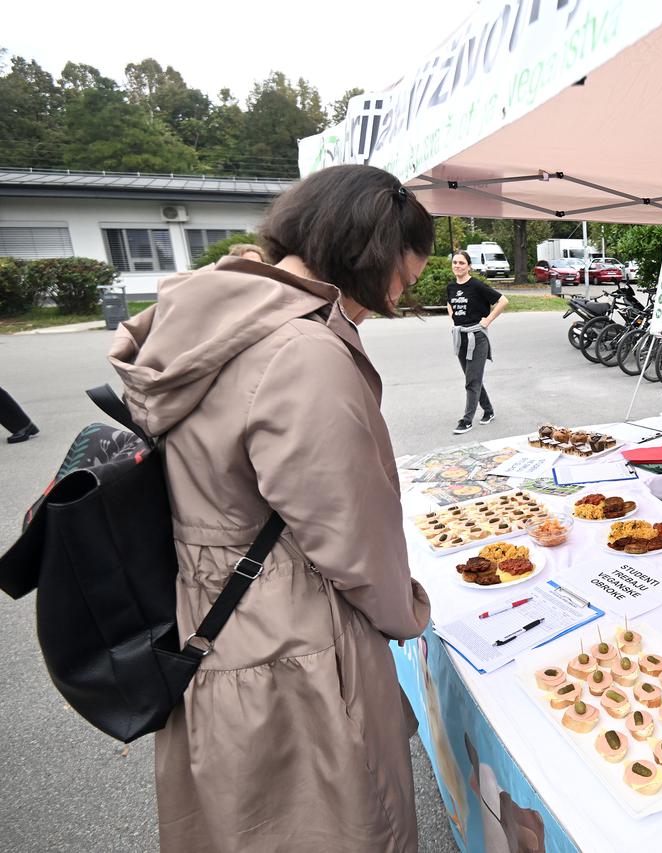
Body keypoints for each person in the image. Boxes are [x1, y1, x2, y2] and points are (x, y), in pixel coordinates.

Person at [107, 164, 433, 853]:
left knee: (245, 824)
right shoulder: (304, 350)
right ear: (368, 257)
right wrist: (408, 611)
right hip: (296, 646)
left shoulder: (208, 312)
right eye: (399, 284)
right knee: (338, 821)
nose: (390, 304)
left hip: (213, 620)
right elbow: (351, 536)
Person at [447, 250, 508, 434]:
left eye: (461, 263)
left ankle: (467, 420)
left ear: (469, 267)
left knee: (471, 380)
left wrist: (487, 321)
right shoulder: (451, 287)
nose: (457, 266)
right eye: (455, 263)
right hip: (461, 337)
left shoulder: (476, 285)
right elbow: (449, 304)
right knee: (472, 378)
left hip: (477, 337)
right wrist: (454, 319)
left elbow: (503, 301)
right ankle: (488, 410)